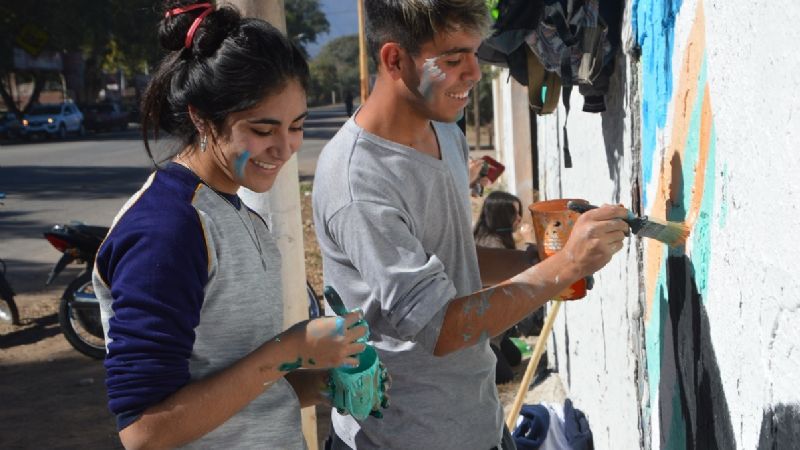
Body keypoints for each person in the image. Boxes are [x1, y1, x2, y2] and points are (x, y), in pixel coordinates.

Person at [312, 1, 630, 449]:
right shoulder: (358, 182)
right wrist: (565, 266)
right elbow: (440, 327)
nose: (475, 73)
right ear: (394, 59)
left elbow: (447, 257)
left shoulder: (444, 132)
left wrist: (532, 260)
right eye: (453, 58)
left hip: (473, 418)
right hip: (403, 437)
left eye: (475, 55)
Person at [92, 2, 367, 449]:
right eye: (262, 129)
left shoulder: (236, 212)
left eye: (297, 126)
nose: (285, 148)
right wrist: (287, 350)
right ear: (202, 118)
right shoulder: (167, 230)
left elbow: (242, 388)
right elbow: (143, 431)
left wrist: (319, 382)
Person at [473, 190, 544, 383]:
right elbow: (519, 281)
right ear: (501, 216)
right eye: (515, 214)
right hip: (480, 332)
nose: (519, 219)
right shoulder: (492, 245)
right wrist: (530, 242)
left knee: (514, 357)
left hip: (494, 329)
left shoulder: (493, 238)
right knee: (504, 377)